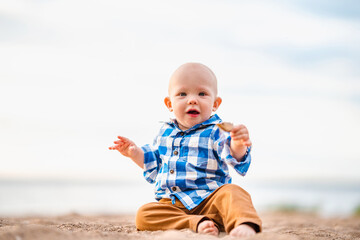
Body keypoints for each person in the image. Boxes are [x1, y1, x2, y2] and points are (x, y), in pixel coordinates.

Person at [109, 63, 262, 238]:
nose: (192, 99)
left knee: (233, 192)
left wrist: (238, 143)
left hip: (210, 200)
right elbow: (154, 161)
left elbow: (232, 154)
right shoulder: (164, 133)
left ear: (215, 103)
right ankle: (195, 223)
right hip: (172, 204)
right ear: (169, 103)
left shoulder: (215, 131)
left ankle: (245, 223)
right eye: (182, 94)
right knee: (144, 214)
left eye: (202, 94)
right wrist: (133, 153)